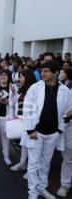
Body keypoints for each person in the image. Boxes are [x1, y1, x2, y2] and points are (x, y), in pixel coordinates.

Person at [23, 61, 72, 199]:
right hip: (36, 132)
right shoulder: (35, 88)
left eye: (46, 71)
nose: (42, 74)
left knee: (45, 163)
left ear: (55, 73)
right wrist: (30, 130)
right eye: (42, 71)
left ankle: (41, 188)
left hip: (53, 133)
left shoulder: (65, 90)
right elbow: (27, 109)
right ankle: (32, 193)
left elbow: (68, 111)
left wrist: (60, 130)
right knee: (33, 164)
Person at [10, 70, 37, 172]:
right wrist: (13, 94)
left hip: (31, 122)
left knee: (31, 146)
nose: (19, 79)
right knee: (24, 144)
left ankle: (30, 169)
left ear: (28, 78)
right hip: (21, 121)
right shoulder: (22, 90)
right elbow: (15, 104)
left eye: (21, 77)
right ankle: (22, 163)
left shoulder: (34, 91)